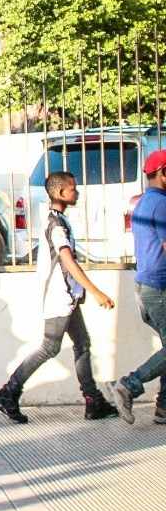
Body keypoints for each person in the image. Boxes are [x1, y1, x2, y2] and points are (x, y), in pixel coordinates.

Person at [0, 170, 117, 423]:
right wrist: (96, 292)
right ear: (60, 193)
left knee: (82, 344)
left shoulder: (57, 220)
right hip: (60, 298)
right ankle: (8, 392)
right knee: (50, 347)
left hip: (67, 297)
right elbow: (67, 260)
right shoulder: (56, 224)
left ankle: (93, 401)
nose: (76, 192)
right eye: (73, 189)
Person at [104, 149, 166, 424]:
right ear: (163, 173)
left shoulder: (144, 201)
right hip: (159, 286)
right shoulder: (162, 203)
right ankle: (129, 385)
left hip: (146, 285)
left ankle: (164, 407)